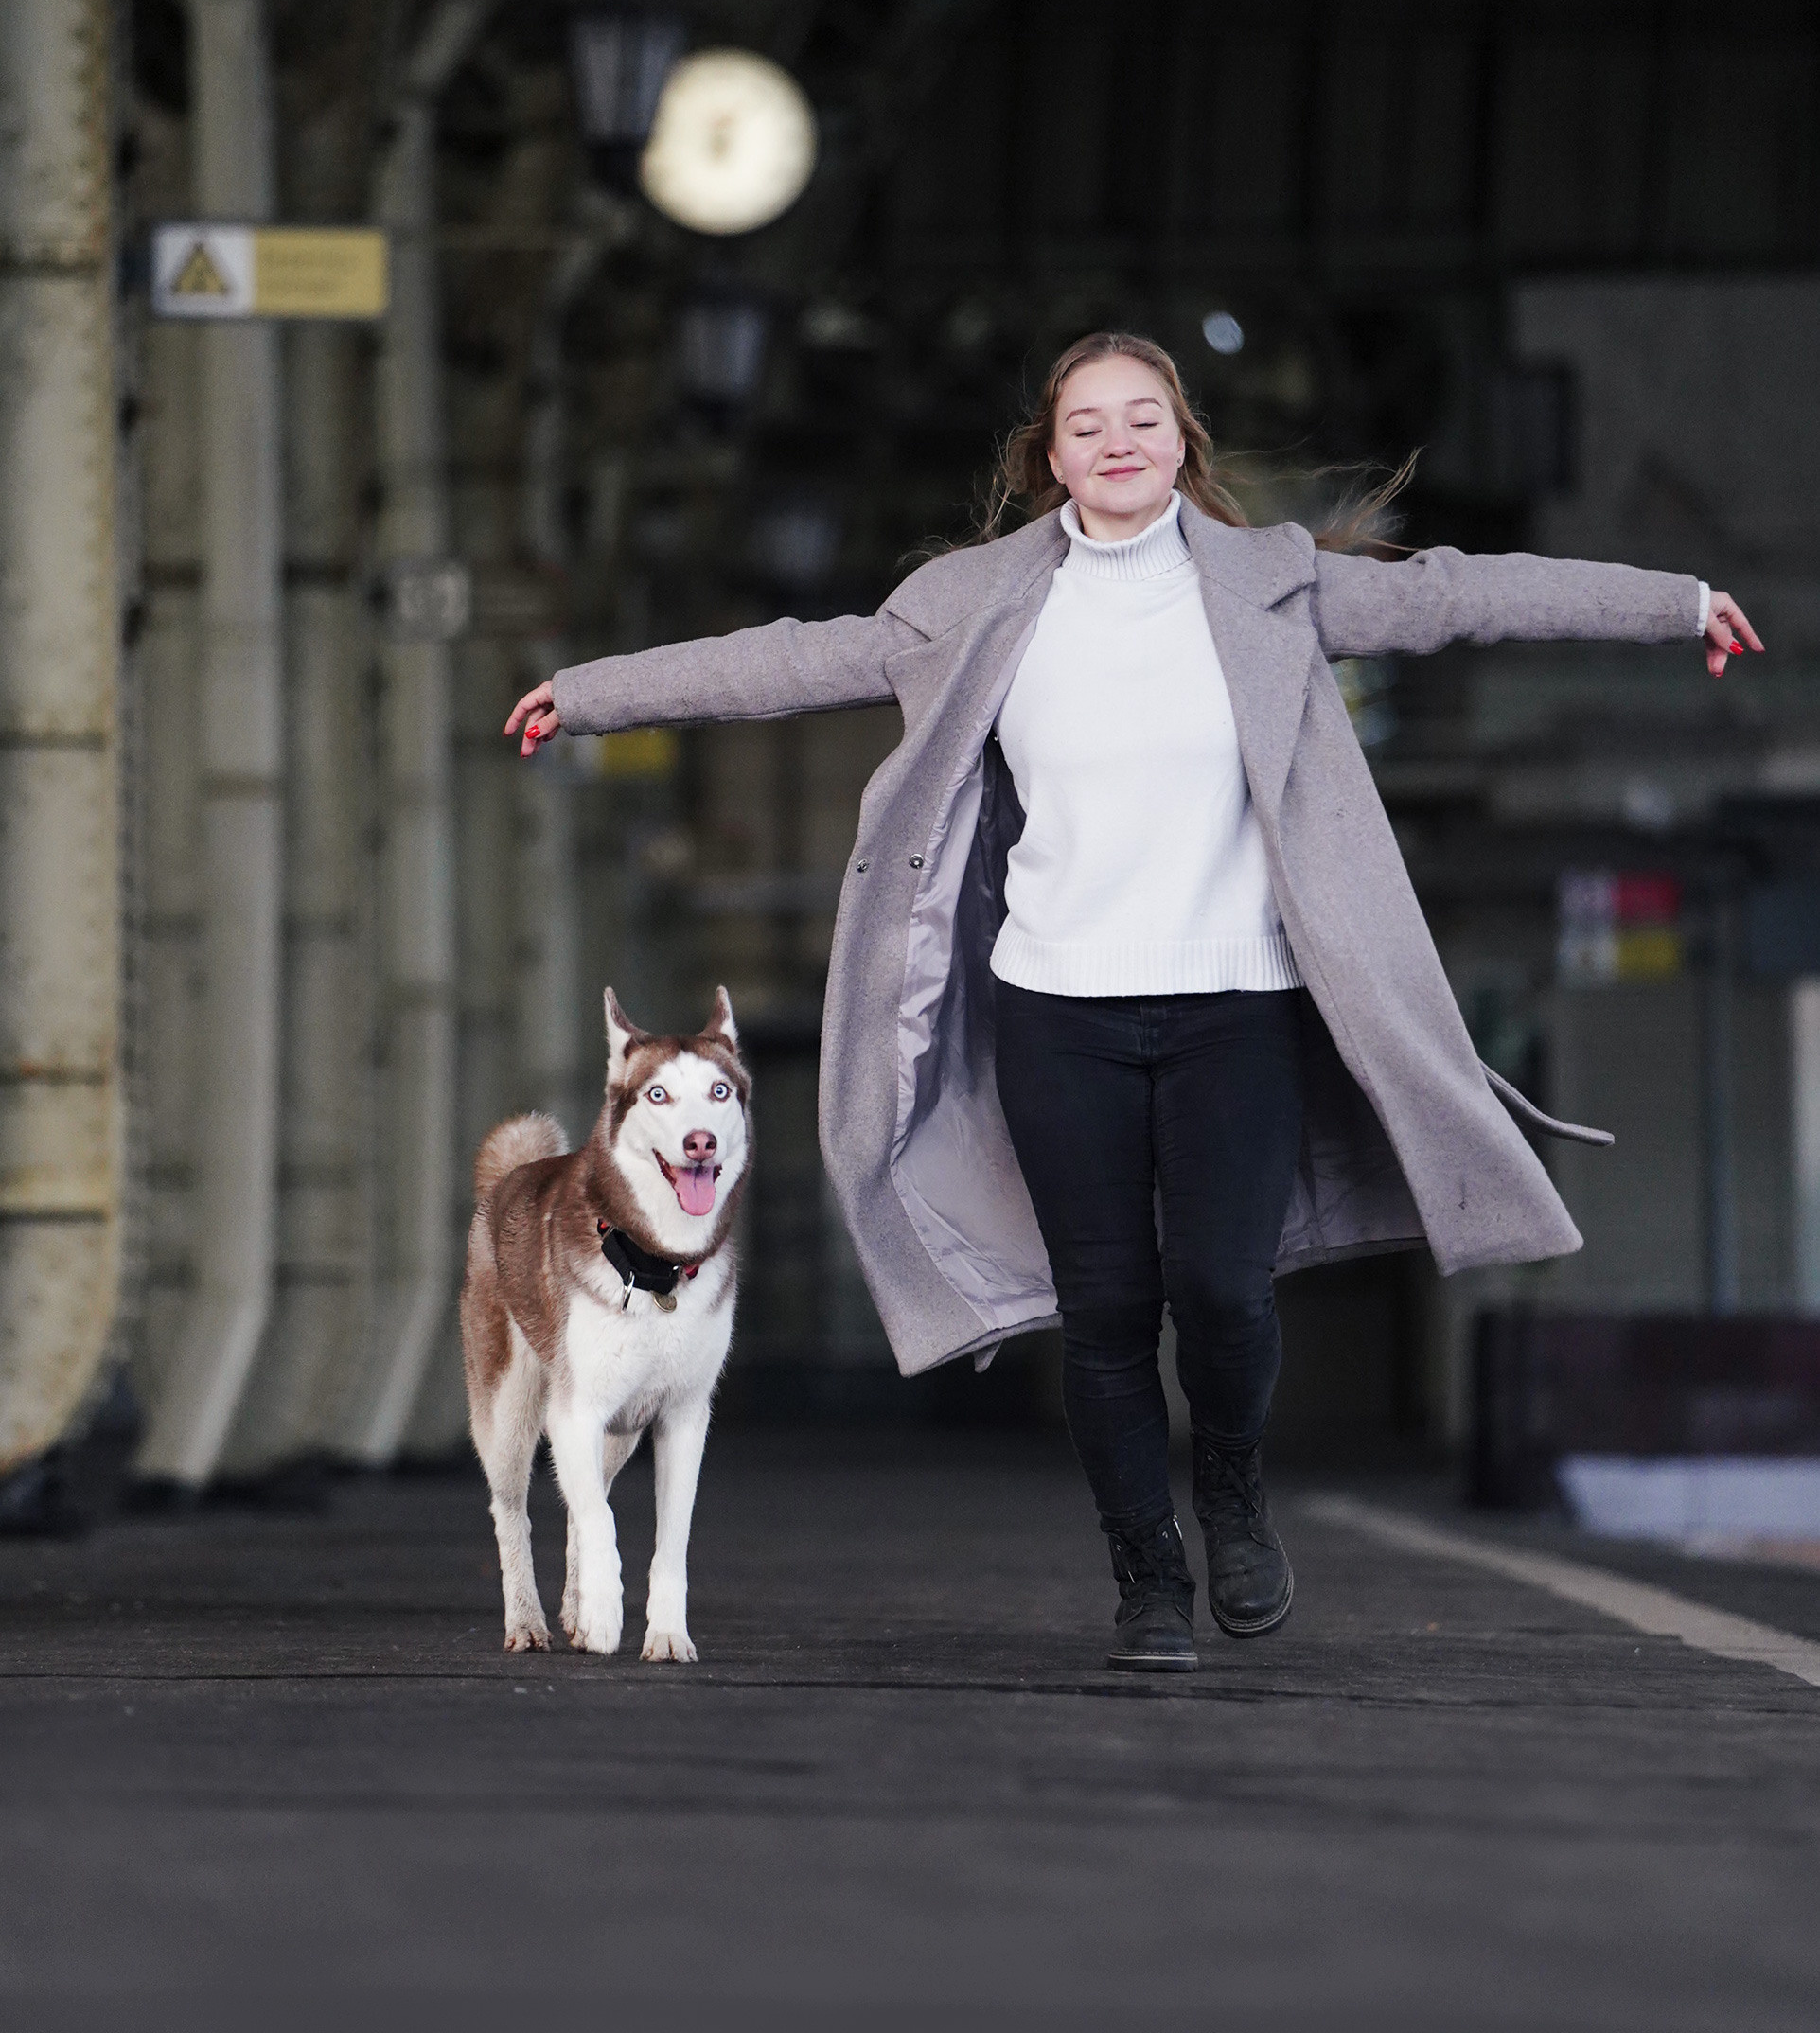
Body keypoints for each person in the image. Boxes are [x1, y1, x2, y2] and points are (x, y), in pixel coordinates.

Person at [507, 331, 1759, 1673]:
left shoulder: (1274, 583)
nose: (1118, 442)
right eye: (1088, 425)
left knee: (1224, 1290)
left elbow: (1463, 594)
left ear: (1184, 441)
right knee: (1105, 1314)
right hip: (1059, 1012)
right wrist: (587, 697)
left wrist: (1674, 602)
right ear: (1051, 457)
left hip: (1241, 1005)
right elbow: (791, 659)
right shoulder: (976, 602)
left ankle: (1227, 1495)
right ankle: (1145, 1574)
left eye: (1144, 419)